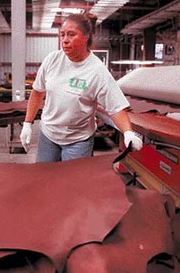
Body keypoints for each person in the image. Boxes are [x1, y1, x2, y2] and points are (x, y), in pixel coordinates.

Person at [20, 12, 142, 162]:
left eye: (71, 35)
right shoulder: (52, 60)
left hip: (78, 140)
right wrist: (27, 123)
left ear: (86, 37)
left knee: (73, 184)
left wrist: (128, 132)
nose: (65, 40)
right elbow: (37, 92)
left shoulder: (97, 71)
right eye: (62, 34)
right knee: (45, 180)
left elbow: (115, 107)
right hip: (48, 135)